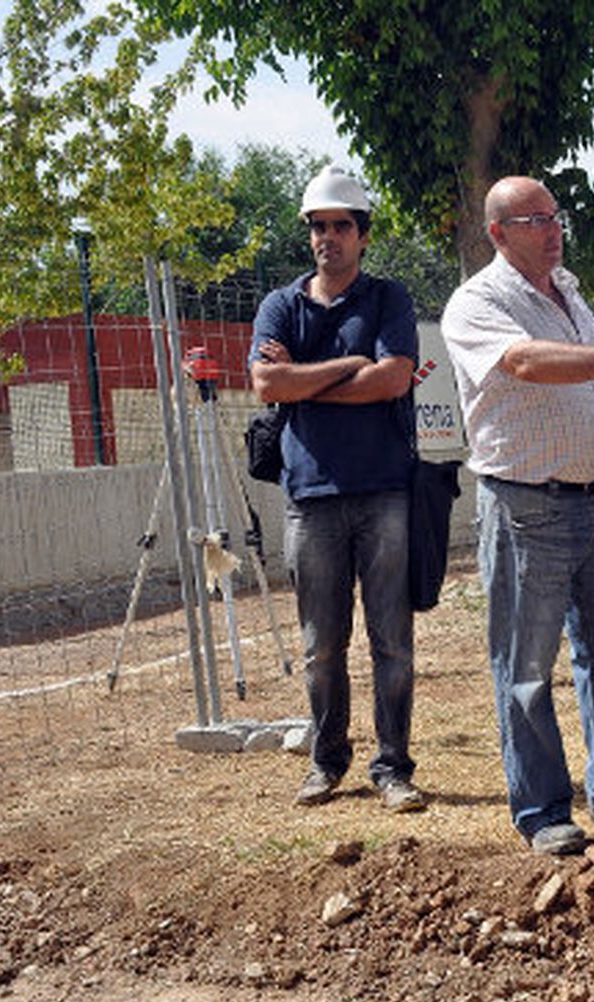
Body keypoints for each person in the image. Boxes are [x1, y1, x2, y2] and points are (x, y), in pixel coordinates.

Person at [440, 175, 594, 856]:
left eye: (555, 216)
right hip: (527, 507)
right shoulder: (478, 302)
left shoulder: (568, 290)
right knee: (525, 667)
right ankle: (543, 811)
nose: (552, 230)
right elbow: (522, 362)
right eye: (533, 221)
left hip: (593, 502)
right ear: (497, 234)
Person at [250, 165, 426, 814]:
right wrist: (352, 365)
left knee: (392, 643)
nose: (329, 237)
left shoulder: (388, 299)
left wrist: (305, 376)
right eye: (319, 227)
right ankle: (328, 763)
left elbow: (393, 379)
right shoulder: (279, 305)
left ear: (362, 235)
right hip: (309, 497)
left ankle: (393, 767)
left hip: (384, 493)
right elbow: (268, 388)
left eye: (341, 226)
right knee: (321, 647)